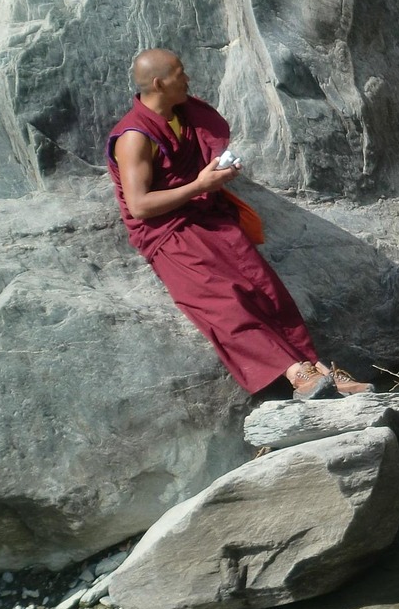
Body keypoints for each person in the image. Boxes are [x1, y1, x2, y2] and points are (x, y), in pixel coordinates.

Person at [106, 48, 373, 400]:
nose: (188, 79)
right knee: (225, 305)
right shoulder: (135, 136)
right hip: (169, 234)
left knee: (266, 291)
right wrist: (201, 185)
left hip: (208, 217)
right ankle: (298, 376)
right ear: (158, 83)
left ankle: (319, 370)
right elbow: (140, 206)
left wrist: (212, 180)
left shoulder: (180, 114)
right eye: (180, 74)